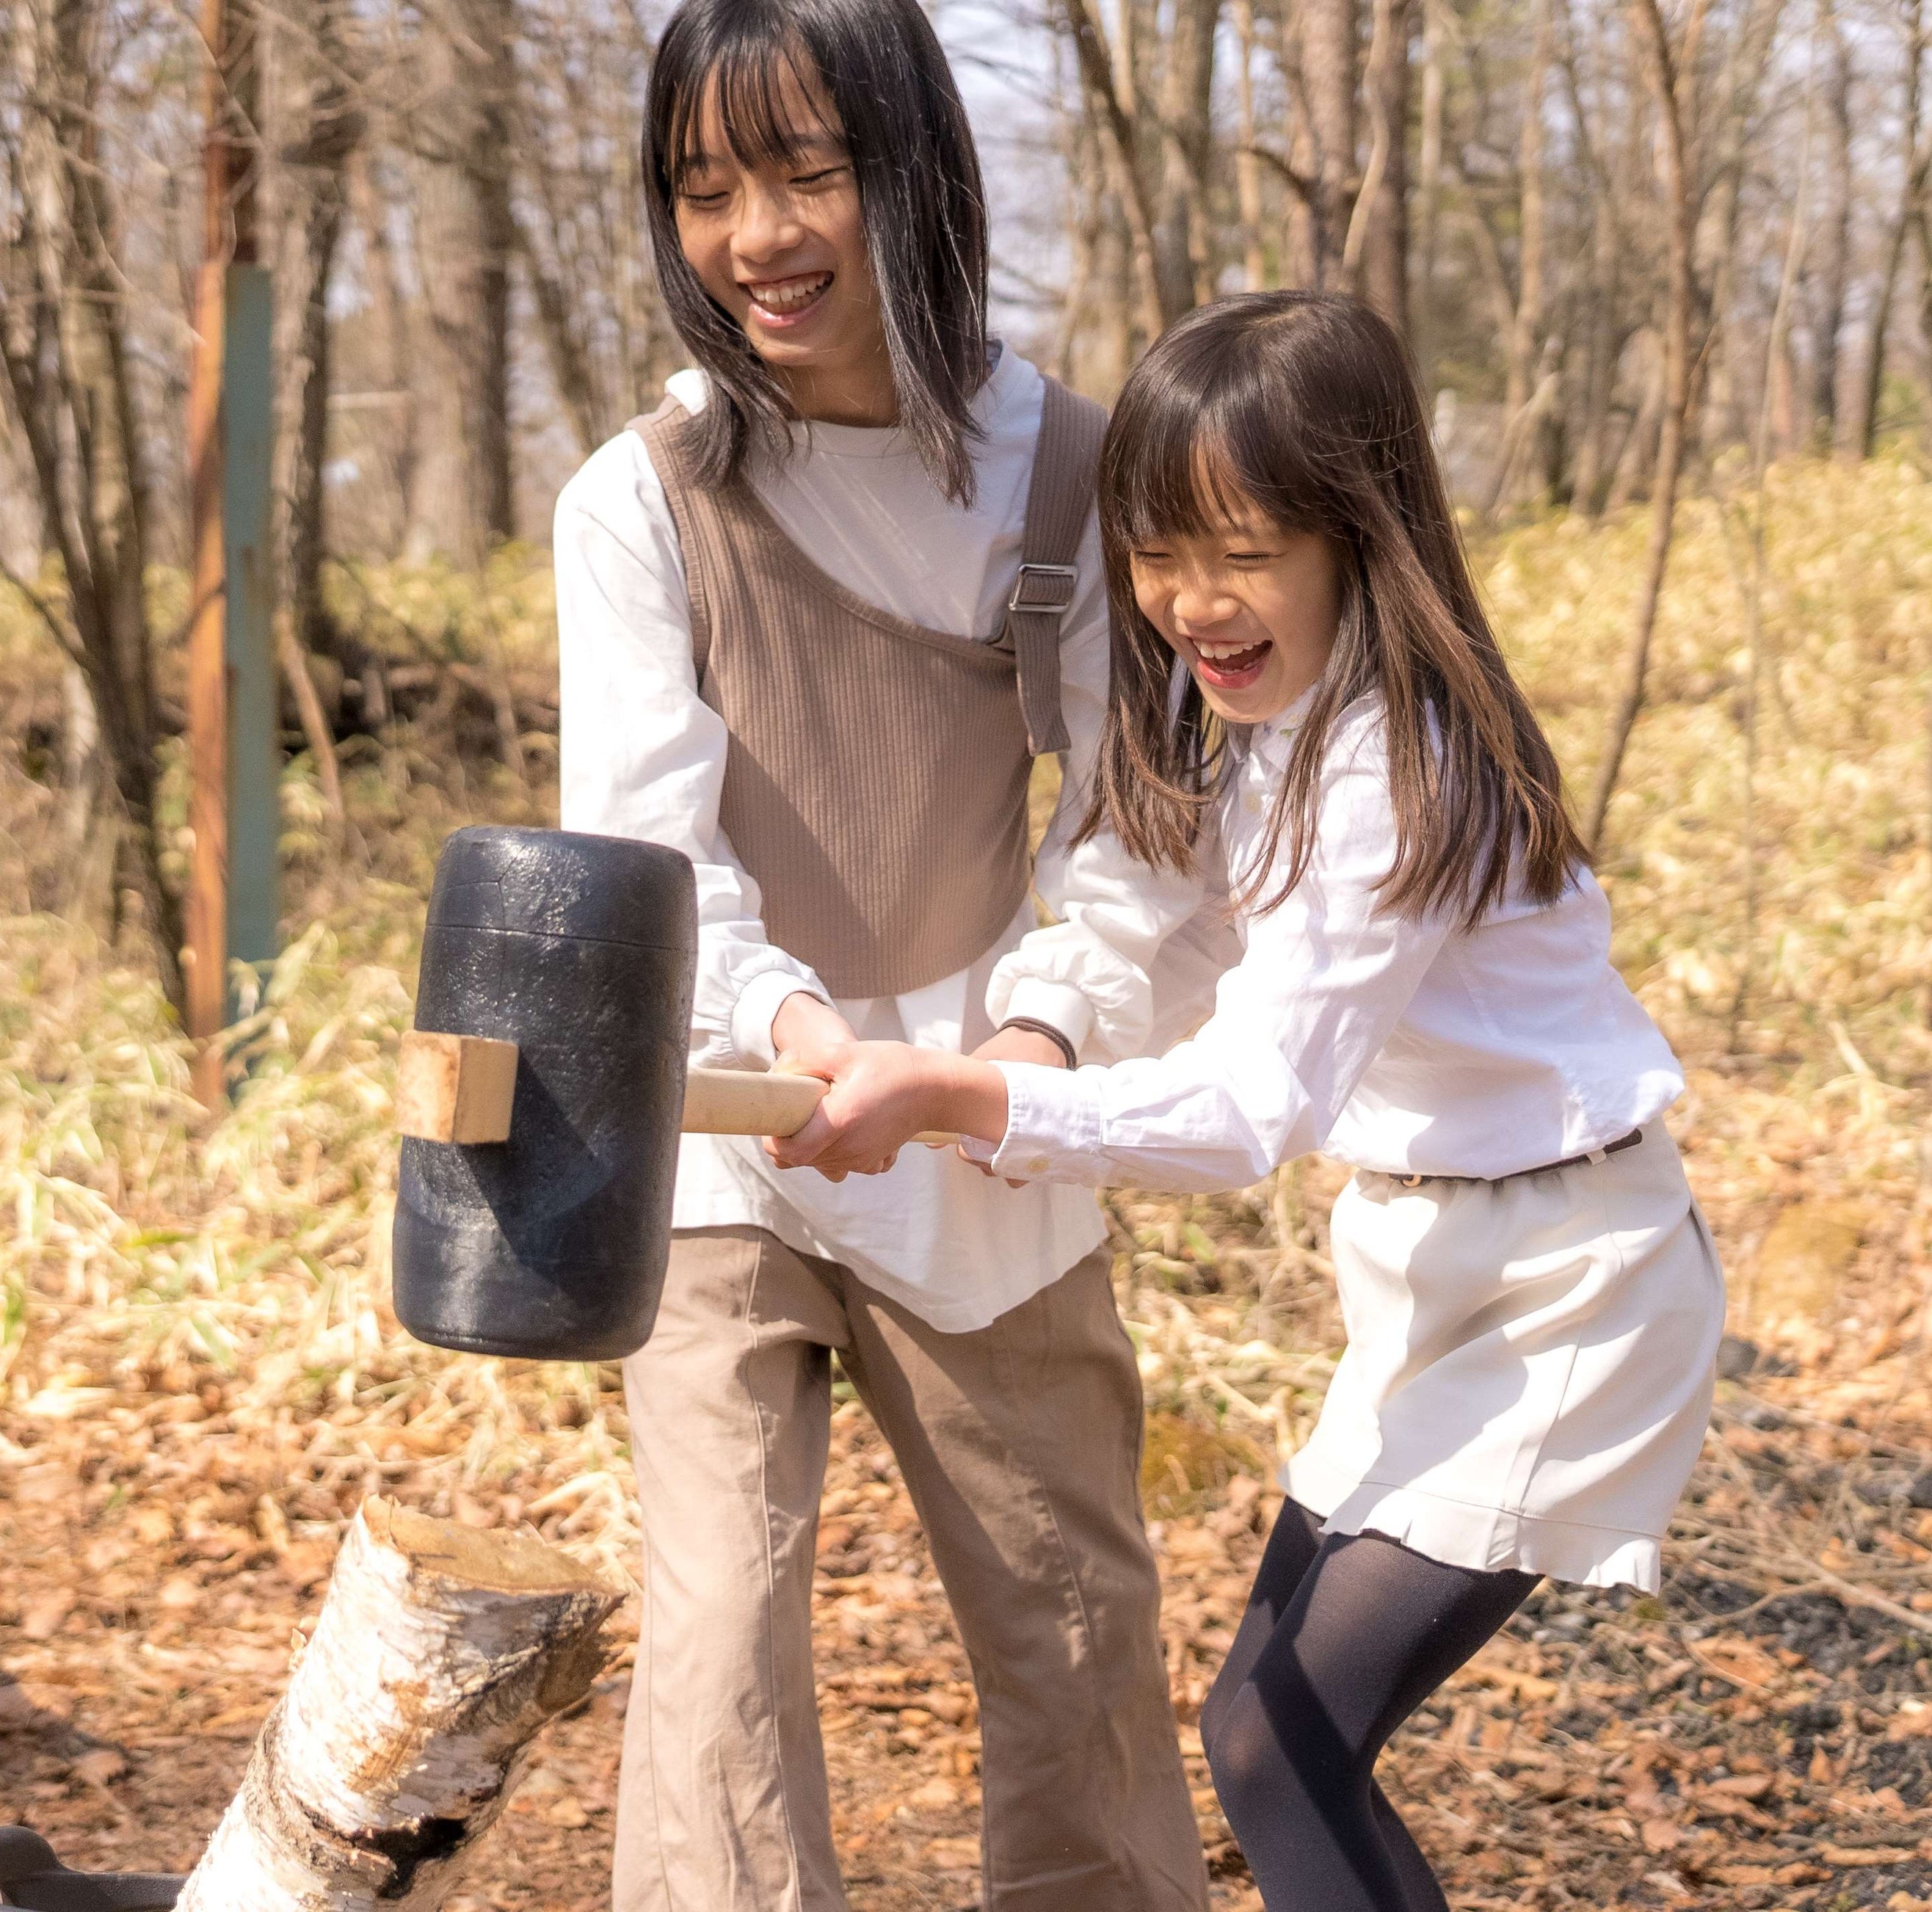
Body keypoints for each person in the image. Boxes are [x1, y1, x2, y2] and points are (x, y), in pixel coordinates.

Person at [771, 291, 1726, 1912]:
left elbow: (1250, 1106)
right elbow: (1192, 945)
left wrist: (962, 1102)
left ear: (1360, 530)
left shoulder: (1396, 762)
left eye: (1242, 551)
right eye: (1155, 551)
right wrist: (1017, 1052)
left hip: (1574, 1292)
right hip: (1431, 1280)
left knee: (1289, 1742)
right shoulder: (1282, 726)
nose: (1190, 602)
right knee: (1256, 1726)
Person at [551, 0, 1211, 1907]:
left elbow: (1136, 833)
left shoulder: (1071, 473)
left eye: (803, 168)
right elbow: (643, 846)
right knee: (716, 1645)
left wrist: (1014, 1049)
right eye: (703, 185)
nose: (753, 229)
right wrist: (787, 1028)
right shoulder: (642, 500)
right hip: (717, 1126)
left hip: (984, 1138)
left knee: (1072, 1629)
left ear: (910, 168)